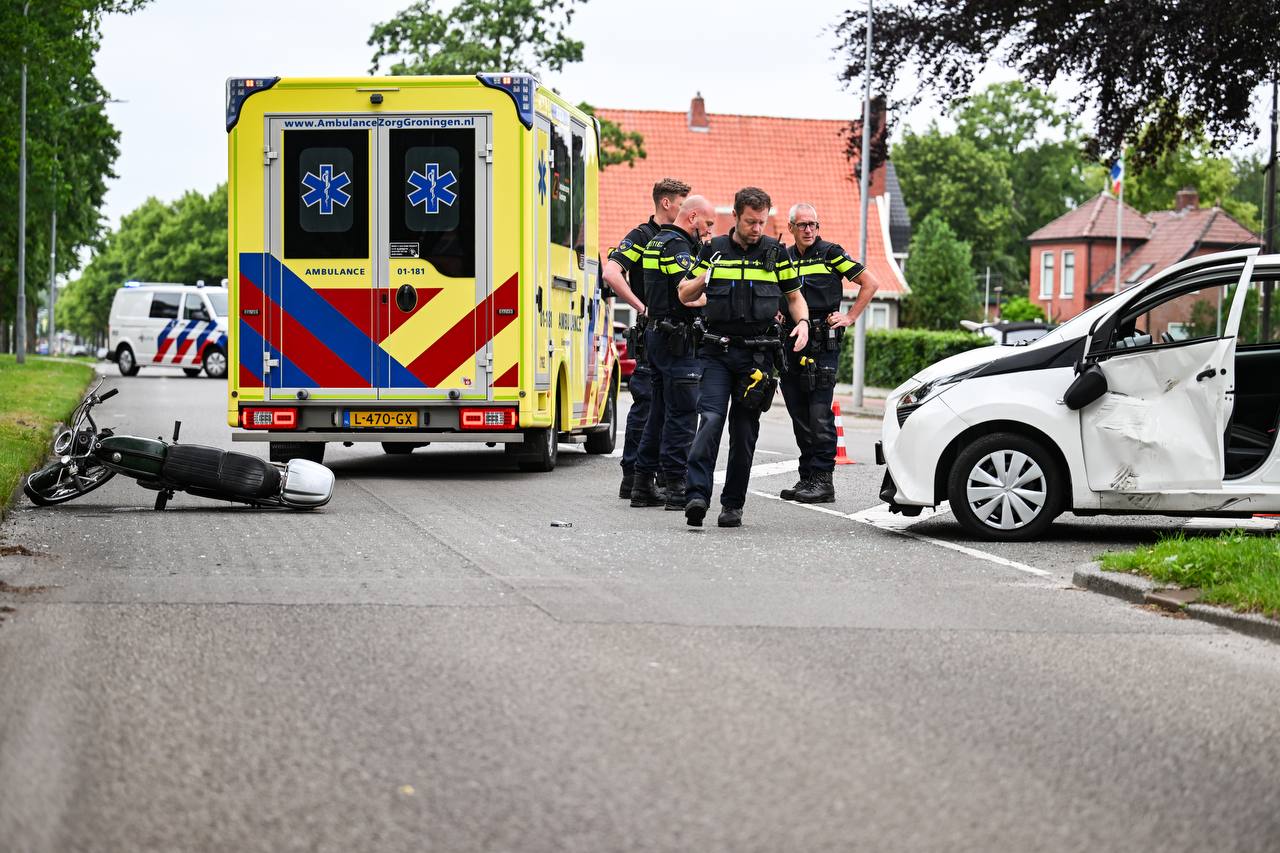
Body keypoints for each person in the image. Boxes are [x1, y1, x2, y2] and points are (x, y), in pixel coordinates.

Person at [678, 187, 809, 528]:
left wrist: (804, 324)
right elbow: (683, 291)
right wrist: (705, 277)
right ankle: (696, 496)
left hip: (757, 356)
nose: (757, 228)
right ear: (735, 216)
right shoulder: (714, 249)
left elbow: (794, 298)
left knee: (744, 432)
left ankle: (732, 505)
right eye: (751, 221)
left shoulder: (776, 253)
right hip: (716, 351)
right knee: (709, 421)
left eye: (762, 222)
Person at [778, 203, 881, 503]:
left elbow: (870, 283)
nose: (808, 230)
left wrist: (849, 317)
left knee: (818, 414)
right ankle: (807, 476)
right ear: (791, 228)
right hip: (790, 342)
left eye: (813, 224)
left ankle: (823, 481)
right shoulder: (783, 257)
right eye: (802, 225)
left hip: (822, 345)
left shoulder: (831, 253)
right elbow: (774, 289)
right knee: (798, 413)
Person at [602, 178, 692, 499]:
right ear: (666, 203)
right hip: (653, 332)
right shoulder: (642, 236)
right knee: (647, 404)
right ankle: (633, 475)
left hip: (674, 336)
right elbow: (611, 273)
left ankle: (660, 475)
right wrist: (642, 307)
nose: (688, 210)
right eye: (683, 203)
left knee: (668, 405)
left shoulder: (684, 238)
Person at [629, 195, 716, 510]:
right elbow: (687, 296)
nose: (707, 234)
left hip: (656, 333)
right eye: (706, 225)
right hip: (677, 339)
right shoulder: (677, 247)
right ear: (692, 217)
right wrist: (718, 297)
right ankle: (676, 485)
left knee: (658, 412)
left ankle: (642, 484)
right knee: (681, 415)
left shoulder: (656, 242)